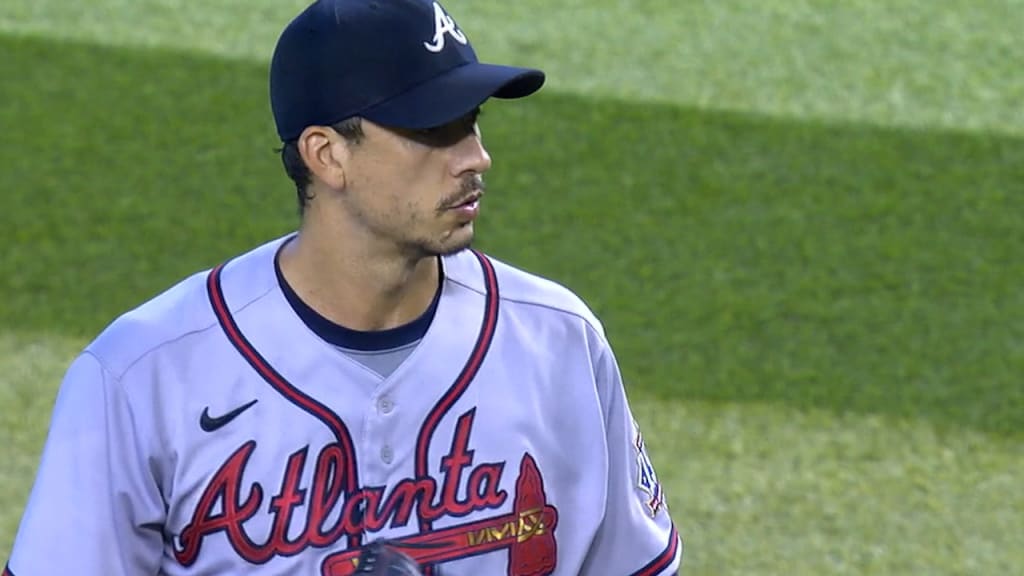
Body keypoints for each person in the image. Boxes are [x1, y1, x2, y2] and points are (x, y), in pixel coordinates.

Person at [3, 0, 683, 574]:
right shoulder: (142, 375)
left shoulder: (559, 340)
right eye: (434, 129)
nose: (476, 157)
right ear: (326, 154)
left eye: (473, 121)